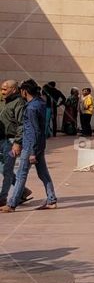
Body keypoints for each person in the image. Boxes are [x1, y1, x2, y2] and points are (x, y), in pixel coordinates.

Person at [3, 79, 57, 212]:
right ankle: (51, 200)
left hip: (30, 146)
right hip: (39, 145)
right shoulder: (40, 103)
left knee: (21, 175)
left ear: (24, 91)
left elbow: (34, 130)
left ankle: (12, 204)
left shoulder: (31, 108)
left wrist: (32, 152)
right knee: (43, 174)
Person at [0, 79, 33, 206]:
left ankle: (3, 198)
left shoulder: (19, 103)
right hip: (1, 139)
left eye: (5, 89)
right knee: (3, 168)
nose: (2, 91)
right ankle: (23, 191)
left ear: (13, 89)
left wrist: (17, 142)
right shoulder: (3, 102)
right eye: (1, 89)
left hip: (11, 141)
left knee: (7, 170)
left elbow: (21, 124)